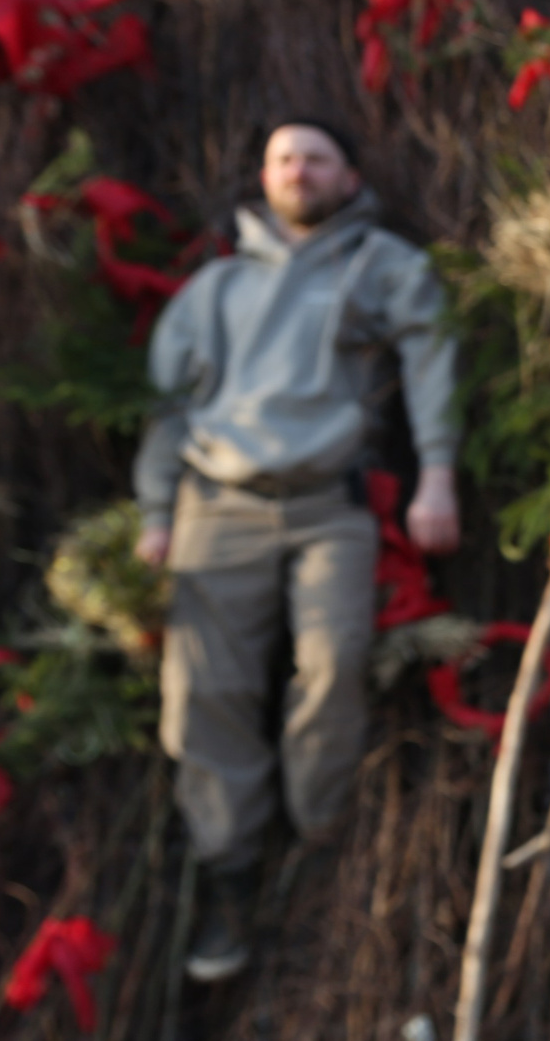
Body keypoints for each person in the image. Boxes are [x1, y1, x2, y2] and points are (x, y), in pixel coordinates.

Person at [133, 119, 460, 981]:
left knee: (334, 666)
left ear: (348, 176)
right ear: (263, 175)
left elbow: (431, 361)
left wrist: (437, 476)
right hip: (216, 506)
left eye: (316, 158)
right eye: (284, 158)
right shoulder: (214, 288)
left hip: (329, 506)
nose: (298, 171)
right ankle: (229, 872)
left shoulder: (383, 266)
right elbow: (168, 406)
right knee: (205, 689)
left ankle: (319, 850)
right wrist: (156, 512)